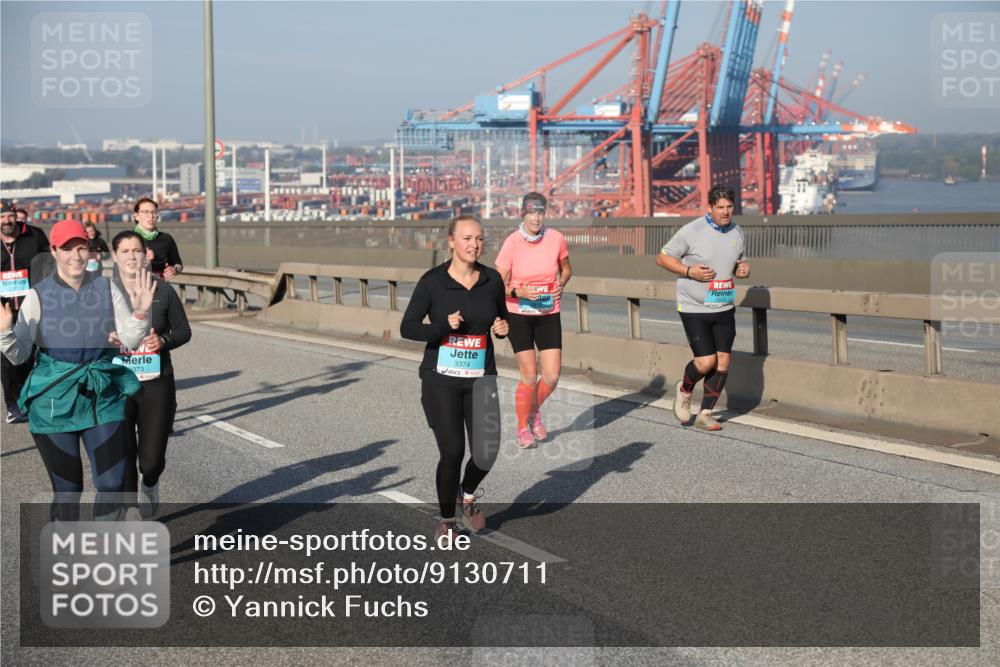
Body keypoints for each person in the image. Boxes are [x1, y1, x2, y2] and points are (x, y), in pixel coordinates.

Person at [0, 219, 153, 520]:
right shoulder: (37, 296)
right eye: (68, 248)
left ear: (90, 251)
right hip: (54, 402)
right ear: (54, 251)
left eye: (81, 248)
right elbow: (19, 357)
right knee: (68, 491)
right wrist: (5, 332)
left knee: (111, 484)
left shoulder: (107, 288)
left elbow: (132, 339)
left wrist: (140, 313)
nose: (76, 256)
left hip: (102, 395)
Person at [400, 215, 509, 539]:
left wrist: (503, 329)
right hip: (441, 379)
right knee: (452, 451)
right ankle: (447, 520)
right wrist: (441, 326)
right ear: (451, 241)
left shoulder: (492, 280)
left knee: (487, 450)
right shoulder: (433, 281)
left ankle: (468, 493)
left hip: (480, 377)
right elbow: (408, 327)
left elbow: (502, 317)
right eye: (466, 238)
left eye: (478, 239)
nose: (474, 245)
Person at [656, 185, 750, 431]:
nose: (726, 212)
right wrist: (689, 271)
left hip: (724, 305)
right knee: (706, 362)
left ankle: (706, 412)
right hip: (694, 306)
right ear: (710, 207)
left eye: (729, 207)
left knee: (723, 362)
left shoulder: (737, 231)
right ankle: (685, 389)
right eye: (720, 207)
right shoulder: (693, 230)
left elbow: (739, 262)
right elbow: (663, 257)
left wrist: (743, 270)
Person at [112, 230, 191, 518]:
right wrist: (105, 338)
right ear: (115, 256)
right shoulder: (102, 293)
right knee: (122, 454)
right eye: (125, 251)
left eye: (137, 250)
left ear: (146, 255)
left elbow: (183, 331)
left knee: (151, 459)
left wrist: (164, 341)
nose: (132, 256)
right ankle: (131, 508)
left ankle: (151, 481)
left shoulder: (163, 290)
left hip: (156, 384)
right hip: (117, 385)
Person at [494, 192, 572, 448]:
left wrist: (561, 283)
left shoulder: (556, 239)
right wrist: (518, 292)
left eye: (540, 213)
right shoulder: (512, 243)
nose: (536, 218)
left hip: (548, 312)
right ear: (523, 213)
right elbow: (496, 285)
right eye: (531, 213)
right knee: (529, 376)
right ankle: (521, 429)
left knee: (551, 376)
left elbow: (567, 268)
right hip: (518, 314)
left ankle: (531, 411)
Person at [1, 199, 49, 424]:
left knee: (30, 355)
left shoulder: (34, 235)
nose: (6, 220)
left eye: (9, 215)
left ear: (16, 216)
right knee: (6, 357)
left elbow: (49, 264)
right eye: (1, 217)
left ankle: (29, 398)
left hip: (31, 304)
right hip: (3, 308)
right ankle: (12, 405)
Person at [132, 197, 183, 279]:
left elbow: (178, 264)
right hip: (134, 287)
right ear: (136, 216)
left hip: (159, 287)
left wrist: (175, 270)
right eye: (146, 212)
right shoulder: (129, 238)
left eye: (154, 212)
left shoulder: (166, 238)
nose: (151, 216)